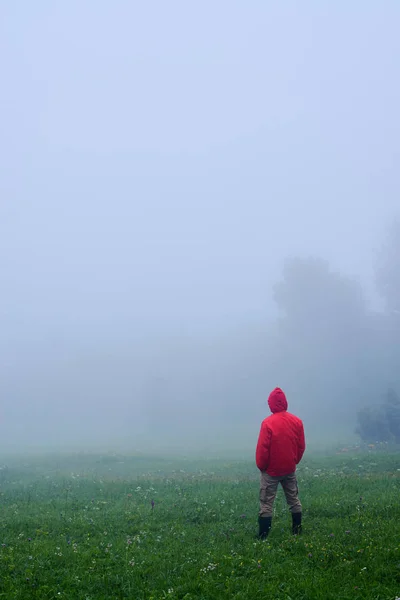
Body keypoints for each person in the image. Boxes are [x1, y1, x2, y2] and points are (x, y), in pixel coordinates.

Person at [255, 387, 305, 539]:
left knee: (266, 502)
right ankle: (297, 530)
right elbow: (301, 446)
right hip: (289, 468)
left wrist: (262, 466)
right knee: (293, 499)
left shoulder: (267, 423)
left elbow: (263, 448)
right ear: (285, 402)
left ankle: (263, 536)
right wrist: (294, 461)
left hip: (271, 471)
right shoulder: (297, 421)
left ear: (270, 404)